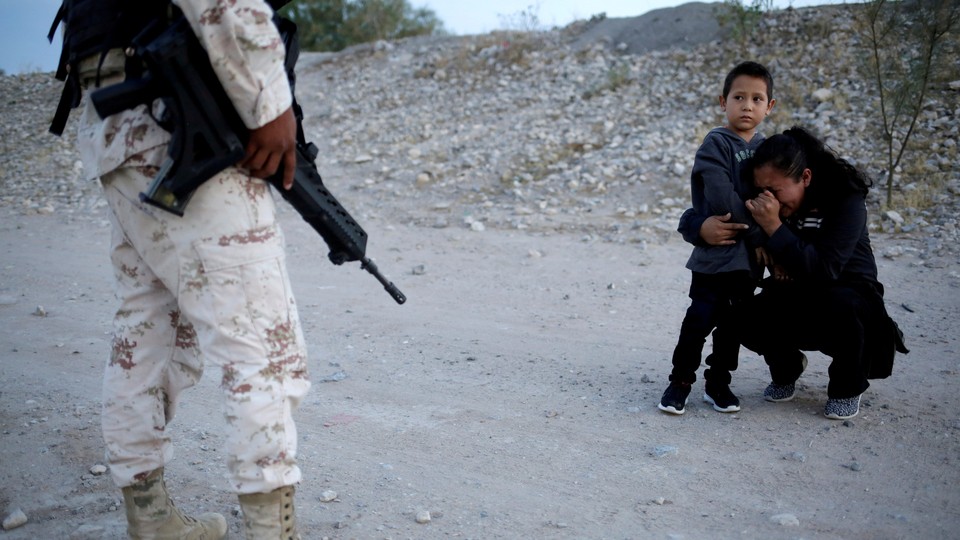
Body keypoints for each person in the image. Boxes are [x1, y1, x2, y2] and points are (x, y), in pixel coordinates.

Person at [49, 0, 310, 537]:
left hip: (118, 114)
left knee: (148, 328)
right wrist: (270, 100)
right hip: (175, 109)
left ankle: (151, 519)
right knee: (262, 341)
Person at [739, 126, 907, 419]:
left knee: (842, 303)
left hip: (851, 296)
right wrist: (761, 242)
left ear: (805, 177)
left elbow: (826, 270)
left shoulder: (845, 198)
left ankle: (847, 387)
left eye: (776, 191)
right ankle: (787, 368)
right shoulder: (771, 205)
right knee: (743, 312)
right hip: (800, 291)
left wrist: (774, 229)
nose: (770, 202)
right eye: (762, 192)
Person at [658, 61, 777, 415]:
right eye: (739, 97)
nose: (747, 106)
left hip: (747, 264)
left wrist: (768, 239)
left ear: (769, 107)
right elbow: (724, 199)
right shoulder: (716, 144)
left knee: (731, 327)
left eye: (757, 99)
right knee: (699, 319)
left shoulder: (769, 148)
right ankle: (680, 382)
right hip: (715, 255)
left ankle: (718, 384)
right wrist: (761, 234)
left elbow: (774, 197)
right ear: (722, 101)